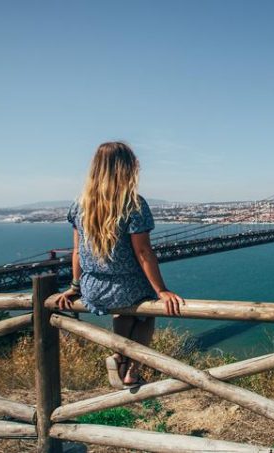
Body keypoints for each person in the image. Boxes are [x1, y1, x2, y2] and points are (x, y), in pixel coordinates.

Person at [54, 141, 184, 389]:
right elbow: (143, 252)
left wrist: (74, 287)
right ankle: (132, 370)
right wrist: (161, 290)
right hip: (127, 286)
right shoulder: (134, 204)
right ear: (127, 168)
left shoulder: (80, 205)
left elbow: (77, 251)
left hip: (93, 287)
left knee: (122, 311)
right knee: (146, 314)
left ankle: (119, 356)